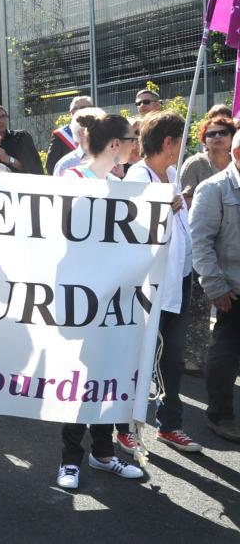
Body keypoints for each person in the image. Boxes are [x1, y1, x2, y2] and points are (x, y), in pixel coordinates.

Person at [56, 111, 145, 490]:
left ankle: (103, 452)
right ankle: (69, 459)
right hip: (80, 298)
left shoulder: (120, 183)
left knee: (108, 374)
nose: (134, 146)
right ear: (114, 145)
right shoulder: (72, 179)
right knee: (80, 380)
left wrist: (165, 210)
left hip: (114, 300)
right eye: (130, 140)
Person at [122, 112, 202, 453]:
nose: (185, 145)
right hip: (148, 288)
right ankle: (124, 425)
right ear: (168, 142)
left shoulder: (171, 174)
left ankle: (169, 425)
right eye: (181, 138)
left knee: (171, 359)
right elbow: (129, 234)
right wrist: (159, 211)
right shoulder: (137, 179)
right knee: (138, 358)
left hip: (178, 281)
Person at [191, 130, 240, 443]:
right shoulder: (213, 189)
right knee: (225, 353)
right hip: (232, 290)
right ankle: (220, 416)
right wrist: (216, 287)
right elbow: (201, 243)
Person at [180, 109, 235, 206]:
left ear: (232, 137)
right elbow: (184, 201)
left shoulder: (237, 162)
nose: (217, 136)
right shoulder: (195, 164)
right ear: (204, 140)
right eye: (211, 134)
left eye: (223, 132)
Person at [0, 104, 43, 174]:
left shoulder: (21, 137)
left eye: (3, 116)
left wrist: (7, 158)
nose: (1, 121)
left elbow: (34, 169)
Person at [47, 95, 93, 174]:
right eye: (84, 108)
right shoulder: (61, 135)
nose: (89, 110)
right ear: (72, 112)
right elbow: (51, 166)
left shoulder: (100, 132)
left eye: (91, 108)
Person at [52, 111, 99, 177]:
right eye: (98, 129)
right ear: (82, 133)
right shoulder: (65, 164)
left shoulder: (109, 158)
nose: (103, 132)